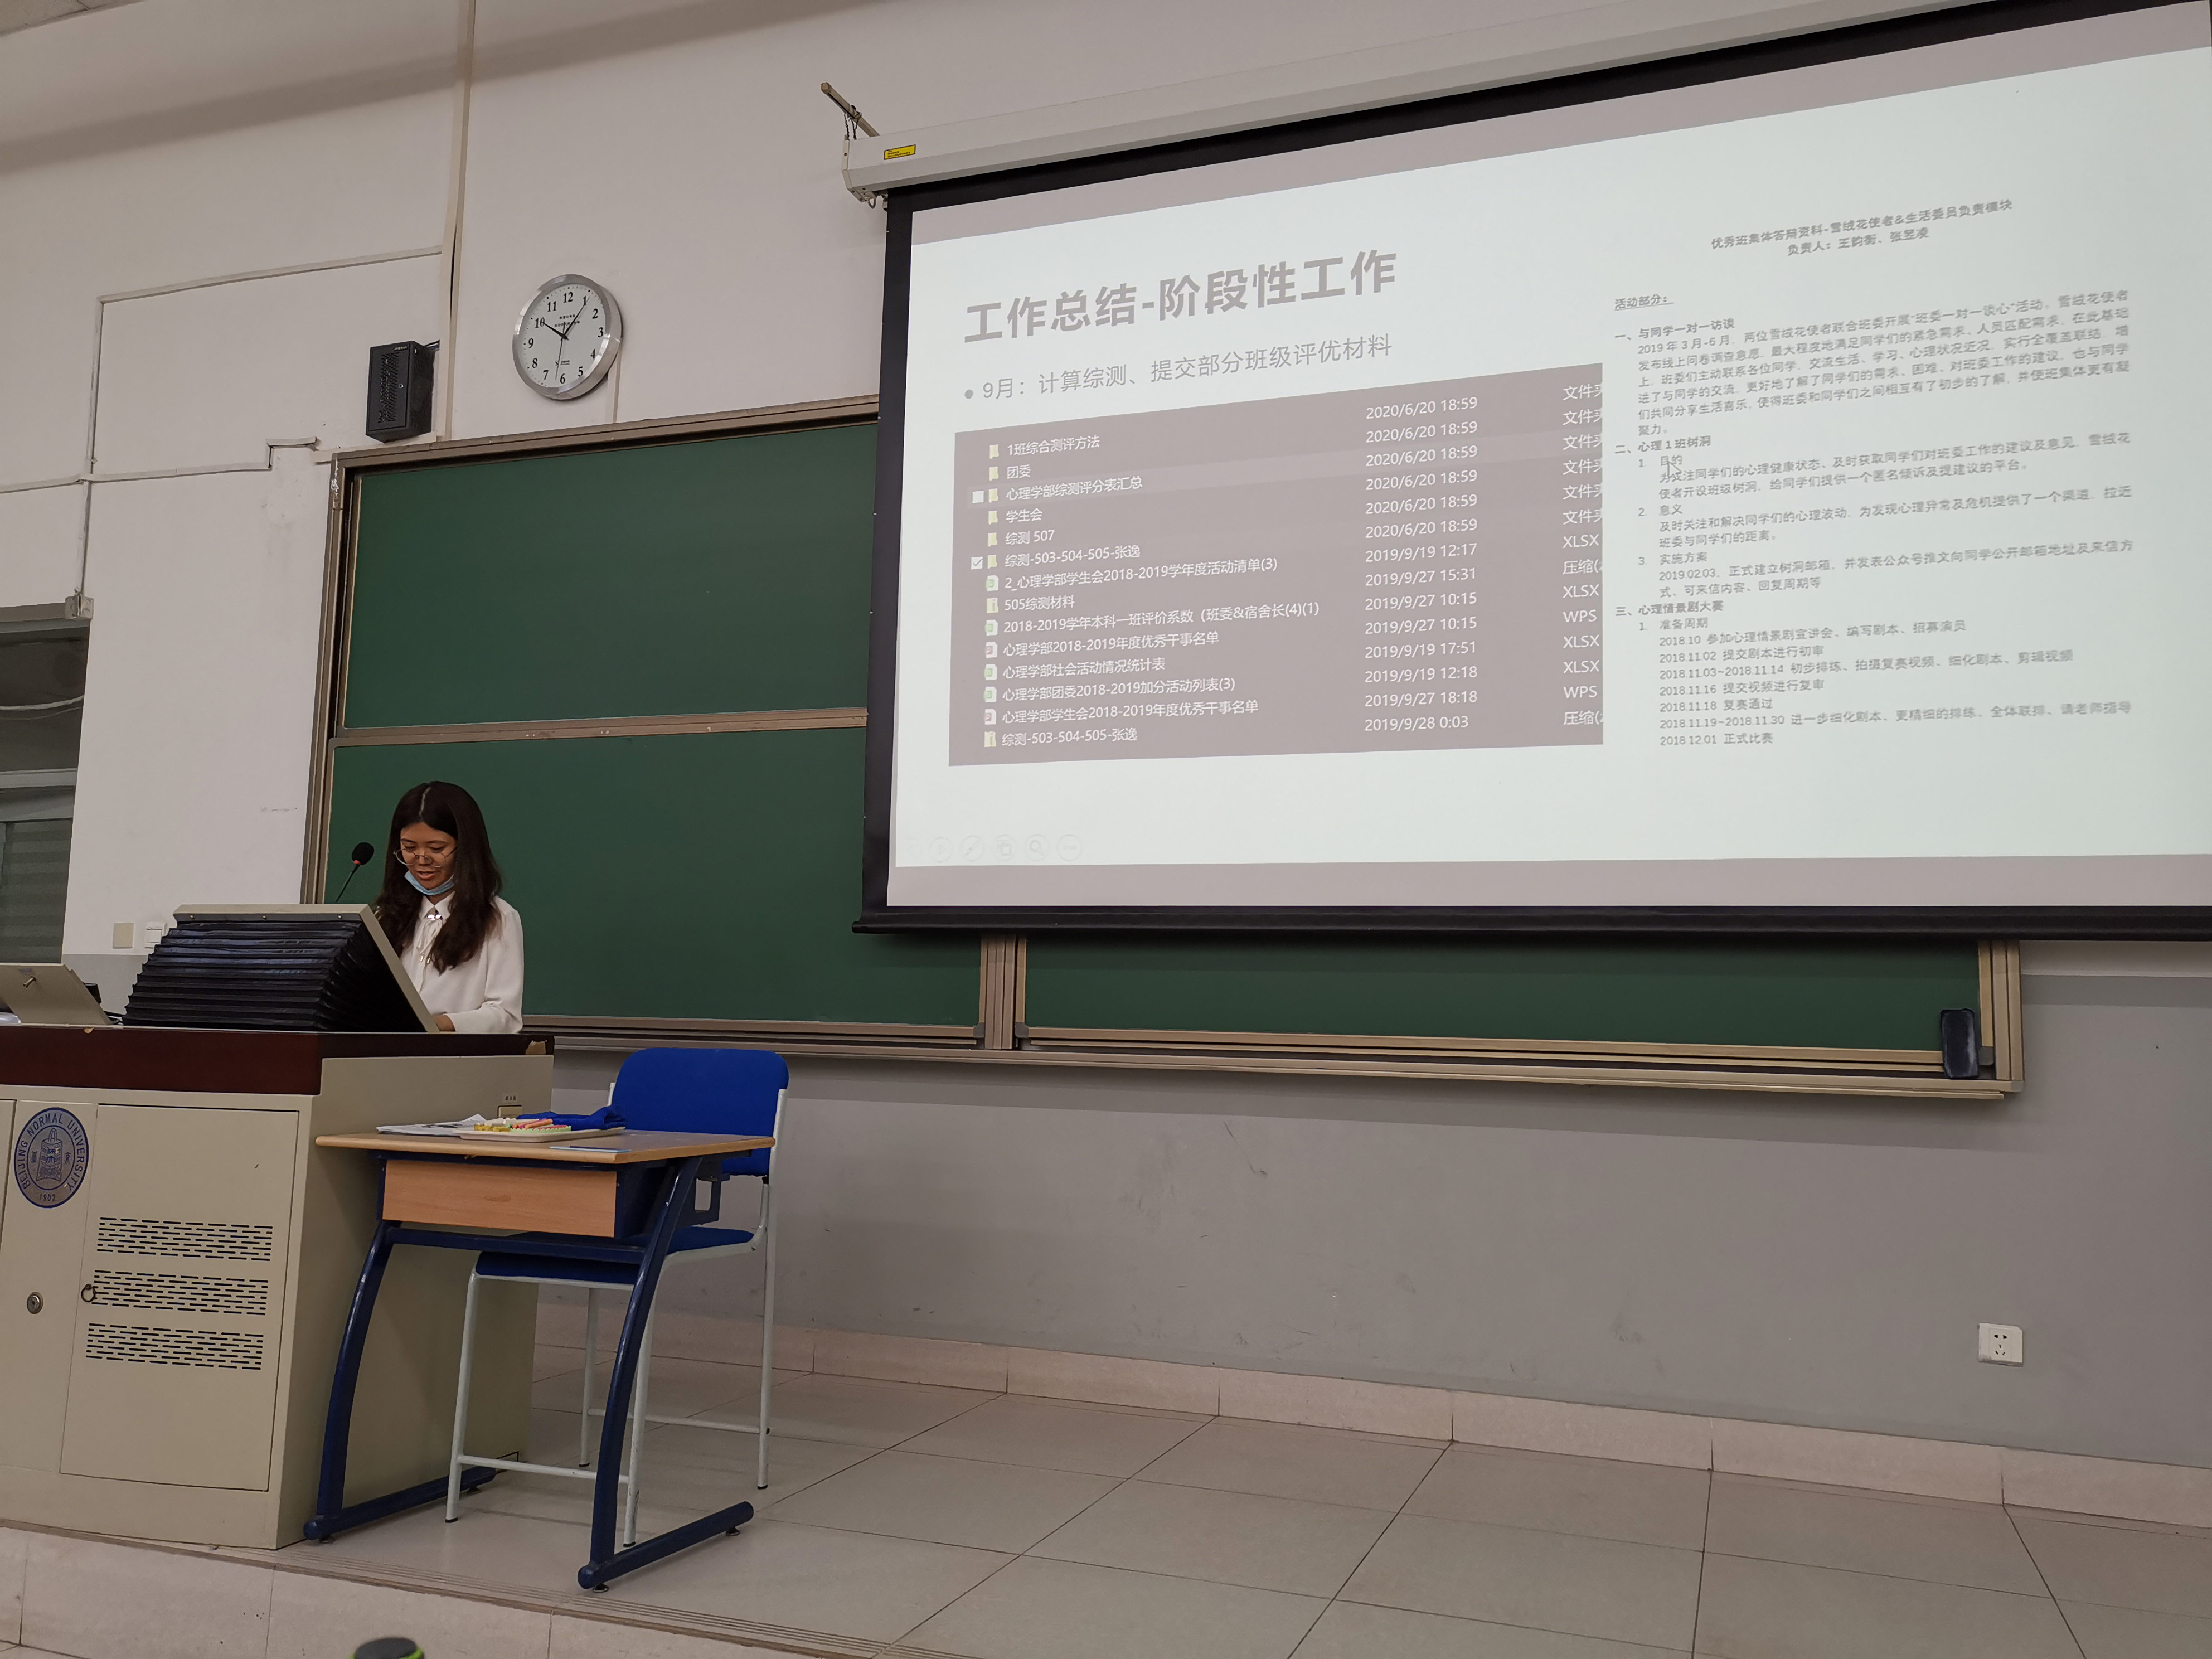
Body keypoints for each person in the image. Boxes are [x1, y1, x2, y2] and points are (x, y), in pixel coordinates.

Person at [372, 780, 523, 1034]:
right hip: (385, 1051)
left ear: (465, 848)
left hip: (453, 1054)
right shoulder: (385, 917)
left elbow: (505, 1015)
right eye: (409, 848)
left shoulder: (498, 918)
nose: (422, 860)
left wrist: (437, 1024)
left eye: (436, 848)